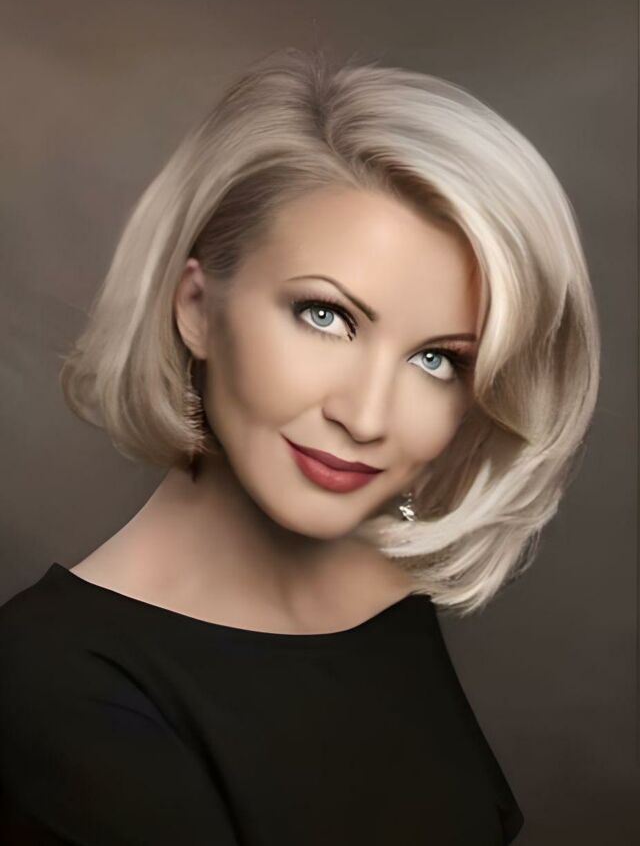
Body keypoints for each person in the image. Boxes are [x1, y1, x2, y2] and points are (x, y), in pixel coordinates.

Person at [0, 47, 599, 844]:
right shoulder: (50, 687)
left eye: (437, 359)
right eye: (326, 316)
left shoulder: (386, 598)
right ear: (196, 307)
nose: (366, 416)